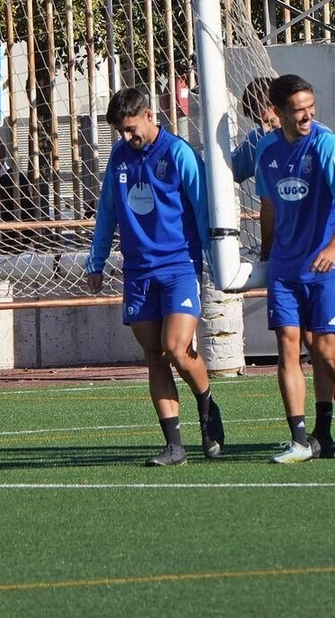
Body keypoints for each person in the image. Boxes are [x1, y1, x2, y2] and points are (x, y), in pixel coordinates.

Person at [85, 87, 224, 466]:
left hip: (179, 267)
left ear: (149, 115)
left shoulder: (179, 154)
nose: (128, 138)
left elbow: (202, 209)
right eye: (121, 132)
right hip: (138, 272)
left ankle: (207, 405)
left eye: (131, 129)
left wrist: (213, 262)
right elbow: (107, 212)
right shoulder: (119, 158)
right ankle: (174, 446)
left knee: (178, 348)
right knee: (155, 355)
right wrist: (95, 262)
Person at [254, 75, 335, 463]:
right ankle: (301, 439)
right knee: (288, 346)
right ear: (278, 112)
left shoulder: (326, 145)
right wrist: (268, 252)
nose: (307, 115)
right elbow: (269, 206)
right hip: (286, 269)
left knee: (326, 349)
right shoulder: (267, 150)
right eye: (298, 109)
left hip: (326, 267)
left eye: (310, 106)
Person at [231, 76, 279, 184]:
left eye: (270, 122)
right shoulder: (258, 138)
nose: (265, 129)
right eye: (259, 123)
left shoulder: (318, 139)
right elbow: (229, 169)